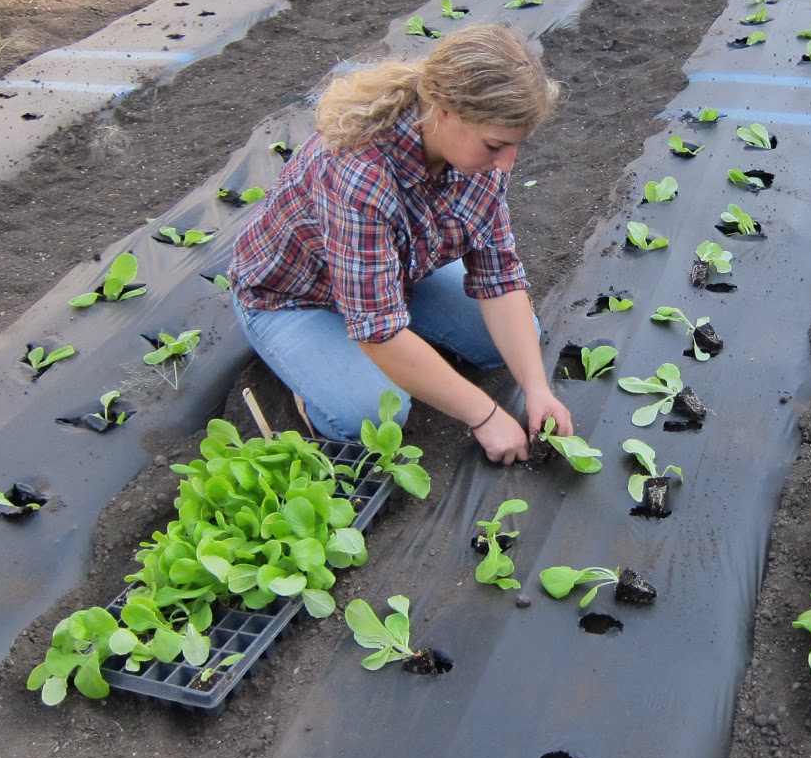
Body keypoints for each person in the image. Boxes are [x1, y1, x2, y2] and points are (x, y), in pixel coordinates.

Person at [227, 23, 572, 464]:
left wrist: (537, 389)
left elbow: (499, 275)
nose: (507, 163)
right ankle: (304, 384)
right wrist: (485, 416)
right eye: (495, 145)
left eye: (514, 146)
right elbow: (377, 329)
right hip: (292, 296)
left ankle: (400, 360)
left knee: (510, 341)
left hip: (393, 278)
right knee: (375, 414)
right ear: (445, 110)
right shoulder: (358, 170)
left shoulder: (479, 165)